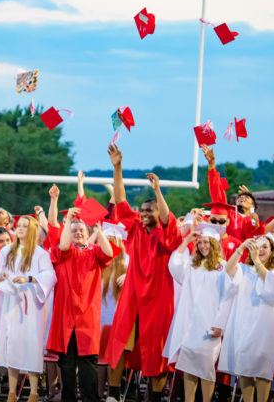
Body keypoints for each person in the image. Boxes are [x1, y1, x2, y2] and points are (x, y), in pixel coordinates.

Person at [101, 145, 182, 402]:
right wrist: (117, 168)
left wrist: (158, 191)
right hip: (133, 295)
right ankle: (114, 395)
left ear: (159, 213)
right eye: (143, 211)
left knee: (156, 350)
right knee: (119, 342)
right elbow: (122, 201)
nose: (145, 214)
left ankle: (154, 397)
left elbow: (168, 219)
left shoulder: (167, 236)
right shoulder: (136, 230)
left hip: (158, 298)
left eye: (150, 211)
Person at [47, 207, 115, 402]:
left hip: (88, 315)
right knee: (66, 362)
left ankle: (90, 398)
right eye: (74, 230)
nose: (78, 233)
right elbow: (65, 245)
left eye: (81, 230)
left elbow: (109, 252)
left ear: (88, 234)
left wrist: (98, 229)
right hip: (67, 314)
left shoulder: (94, 253)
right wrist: (68, 220)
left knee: (89, 362)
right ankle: (68, 398)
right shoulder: (63, 253)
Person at [0, 214, 57, 402]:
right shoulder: (6, 252)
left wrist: (28, 279)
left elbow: (50, 276)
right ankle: (12, 391)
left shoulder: (40, 253)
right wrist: (1, 275)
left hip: (31, 304)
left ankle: (34, 391)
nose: (20, 229)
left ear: (33, 230)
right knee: (11, 343)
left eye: (25, 226)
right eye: (19, 225)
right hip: (11, 301)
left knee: (30, 346)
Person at [164, 226, 232, 402]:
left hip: (210, 325)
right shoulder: (192, 265)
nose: (202, 246)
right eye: (199, 242)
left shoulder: (223, 267)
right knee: (188, 366)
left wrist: (220, 324)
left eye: (206, 242)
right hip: (190, 324)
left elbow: (228, 298)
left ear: (215, 243)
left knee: (206, 367)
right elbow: (174, 266)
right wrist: (186, 240)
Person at [219, 236, 274, 402]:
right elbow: (229, 270)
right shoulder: (244, 269)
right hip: (244, 321)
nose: (260, 250)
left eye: (265, 247)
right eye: (257, 246)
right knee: (245, 366)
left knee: (263, 367)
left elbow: (273, 291)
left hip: (264, 324)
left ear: (272, 251)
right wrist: (240, 248)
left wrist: (257, 262)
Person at [202, 145, 263, 241]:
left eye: (246, 198)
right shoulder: (229, 213)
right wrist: (211, 165)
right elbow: (216, 191)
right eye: (240, 197)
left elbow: (257, 236)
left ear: (253, 207)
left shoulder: (252, 221)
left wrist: (255, 223)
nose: (242, 198)